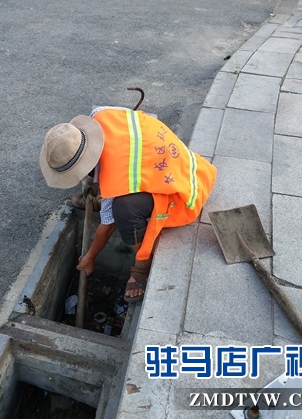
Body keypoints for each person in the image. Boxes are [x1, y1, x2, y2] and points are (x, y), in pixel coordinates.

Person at [40, 106, 217, 302]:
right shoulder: (99, 114)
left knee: (123, 209)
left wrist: (90, 256)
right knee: (116, 196)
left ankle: (142, 264)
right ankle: (106, 198)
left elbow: (107, 227)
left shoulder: (115, 176)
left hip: (183, 191)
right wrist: (93, 186)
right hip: (174, 165)